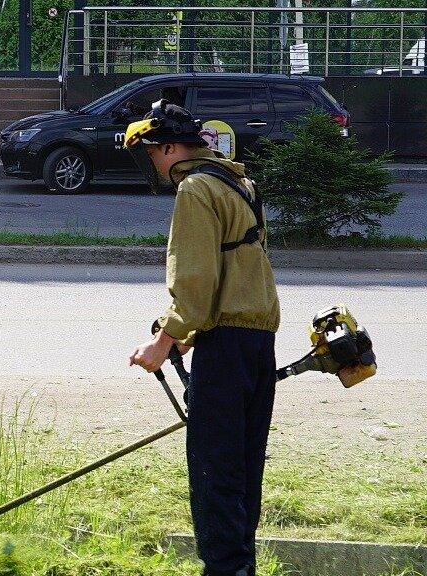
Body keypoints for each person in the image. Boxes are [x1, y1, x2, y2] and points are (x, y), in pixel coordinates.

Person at [125, 101, 280, 576]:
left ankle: (225, 570)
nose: (152, 162)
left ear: (170, 147)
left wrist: (166, 340)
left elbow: (194, 277)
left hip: (227, 349)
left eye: (152, 153)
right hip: (256, 344)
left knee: (215, 473)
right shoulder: (238, 182)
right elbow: (237, 270)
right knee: (243, 469)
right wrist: (191, 331)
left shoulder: (194, 189)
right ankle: (240, 568)